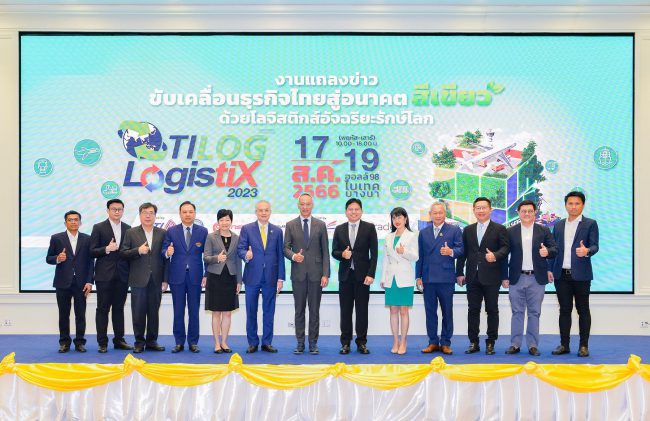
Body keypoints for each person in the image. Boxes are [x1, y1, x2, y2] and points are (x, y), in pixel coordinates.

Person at [502, 200, 557, 357]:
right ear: (518, 213)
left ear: (535, 213)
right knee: (517, 312)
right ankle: (515, 344)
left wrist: (547, 252)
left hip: (536, 278)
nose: (527, 214)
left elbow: (554, 249)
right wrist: (504, 276)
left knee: (534, 312)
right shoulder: (510, 231)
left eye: (530, 211)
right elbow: (504, 255)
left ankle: (533, 345)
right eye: (523, 211)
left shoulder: (544, 230)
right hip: (516, 277)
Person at [456, 197, 510, 355]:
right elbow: (463, 254)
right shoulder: (468, 230)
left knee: (492, 310)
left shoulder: (500, 229)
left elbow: (505, 249)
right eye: (478, 208)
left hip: (492, 277)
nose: (481, 210)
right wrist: (459, 273)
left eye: (484, 207)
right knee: (473, 310)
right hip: (472, 276)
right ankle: (473, 342)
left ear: (490, 210)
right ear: (473, 210)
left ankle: (491, 342)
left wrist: (495, 256)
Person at [548, 191, 599, 357]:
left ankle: (583, 346)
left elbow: (595, 246)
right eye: (570, 203)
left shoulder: (590, 224)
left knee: (583, 310)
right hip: (561, 275)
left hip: (581, 275)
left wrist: (587, 251)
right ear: (565, 205)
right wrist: (549, 268)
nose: (573, 207)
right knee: (564, 310)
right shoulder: (558, 225)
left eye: (577, 203)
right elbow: (554, 249)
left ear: (583, 205)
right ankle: (564, 345)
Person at [284, 193, 330, 355]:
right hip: (298, 274)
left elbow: (325, 251)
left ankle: (313, 343)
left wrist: (326, 274)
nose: (305, 207)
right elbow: (285, 248)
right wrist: (293, 256)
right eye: (302, 204)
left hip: (317, 275)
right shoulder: (290, 225)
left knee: (314, 311)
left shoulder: (321, 225)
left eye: (308, 204)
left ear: (312, 205)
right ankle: (300, 343)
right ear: (298, 205)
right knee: (299, 310)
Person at [237, 200, 285, 353]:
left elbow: (280, 255)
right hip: (252, 276)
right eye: (260, 210)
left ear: (270, 212)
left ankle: (267, 342)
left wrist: (280, 278)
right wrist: (246, 254)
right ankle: (252, 342)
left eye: (266, 210)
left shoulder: (277, 231)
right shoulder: (247, 229)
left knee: (269, 311)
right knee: (251, 311)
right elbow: (240, 249)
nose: (263, 213)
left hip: (271, 277)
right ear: (256, 212)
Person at [332, 198, 378, 355]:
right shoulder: (339, 229)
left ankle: (361, 343)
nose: (353, 212)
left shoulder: (369, 228)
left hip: (363, 277)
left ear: (361, 211)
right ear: (346, 212)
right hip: (345, 277)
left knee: (362, 311)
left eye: (356, 209)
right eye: (350, 209)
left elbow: (374, 254)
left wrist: (371, 274)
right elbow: (334, 251)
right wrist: (342, 254)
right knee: (345, 311)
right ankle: (345, 343)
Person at [416, 202, 463, 355]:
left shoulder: (454, 230)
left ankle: (446, 343)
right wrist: (418, 277)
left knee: (447, 312)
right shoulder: (423, 232)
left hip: (446, 278)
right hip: (428, 278)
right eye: (435, 213)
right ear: (430, 215)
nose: (437, 215)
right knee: (430, 312)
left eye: (440, 212)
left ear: (445, 214)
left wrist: (451, 252)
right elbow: (420, 256)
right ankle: (433, 342)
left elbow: (462, 249)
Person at [120, 202, 167, 353]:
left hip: (156, 280)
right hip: (138, 279)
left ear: (155, 215)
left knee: (154, 312)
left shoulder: (162, 233)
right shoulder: (131, 232)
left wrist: (165, 279)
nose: (148, 216)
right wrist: (138, 251)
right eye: (145, 213)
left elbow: (165, 258)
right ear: (140, 215)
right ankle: (139, 342)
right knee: (138, 312)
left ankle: (152, 341)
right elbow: (123, 253)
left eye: (151, 213)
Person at [162, 201, 208, 353]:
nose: (188, 214)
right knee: (178, 311)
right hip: (177, 276)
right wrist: (167, 252)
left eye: (190, 212)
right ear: (180, 214)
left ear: (195, 213)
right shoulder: (171, 231)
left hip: (195, 277)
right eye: (184, 212)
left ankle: (193, 342)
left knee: (194, 311)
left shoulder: (203, 231)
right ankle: (179, 342)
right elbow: (164, 250)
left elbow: (207, 255)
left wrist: (206, 274)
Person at [46, 210, 94, 353]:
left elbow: (91, 262)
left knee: (80, 315)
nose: (73, 222)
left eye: (76, 219)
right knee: (63, 314)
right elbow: (48, 258)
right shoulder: (56, 238)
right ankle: (64, 343)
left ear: (80, 222)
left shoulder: (87, 239)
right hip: (62, 282)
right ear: (65, 222)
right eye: (70, 220)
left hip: (81, 283)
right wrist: (57, 258)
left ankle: (80, 342)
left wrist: (89, 281)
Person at [89, 199, 132, 353]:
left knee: (119, 309)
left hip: (122, 275)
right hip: (104, 275)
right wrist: (106, 249)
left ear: (123, 211)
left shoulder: (128, 229)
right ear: (108, 210)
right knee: (103, 309)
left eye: (120, 209)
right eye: (114, 209)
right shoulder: (98, 227)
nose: (117, 212)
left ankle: (119, 340)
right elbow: (91, 251)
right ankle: (102, 342)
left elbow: (129, 253)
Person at [380, 207, 418, 355]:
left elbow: (415, 257)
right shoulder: (388, 236)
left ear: (405, 219)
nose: (397, 220)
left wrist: (404, 252)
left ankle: (403, 341)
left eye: (399, 217)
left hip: (405, 277)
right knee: (393, 310)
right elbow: (385, 259)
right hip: (391, 278)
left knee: (403, 311)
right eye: (394, 218)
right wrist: (383, 278)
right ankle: (395, 341)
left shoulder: (412, 235)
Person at [204, 209, 242, 354]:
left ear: (231, 221)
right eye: (222, 220)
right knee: (216, 313)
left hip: (230, 278)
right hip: (215, 278)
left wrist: (239, 281)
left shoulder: (236, 237)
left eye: (227, 220)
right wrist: (217, 258)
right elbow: (206, 257)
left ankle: (224, 342)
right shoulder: (211, 237)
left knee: (227, 313)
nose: (224, 223)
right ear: (218, 222)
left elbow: (238, 261)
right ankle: (216, 343)